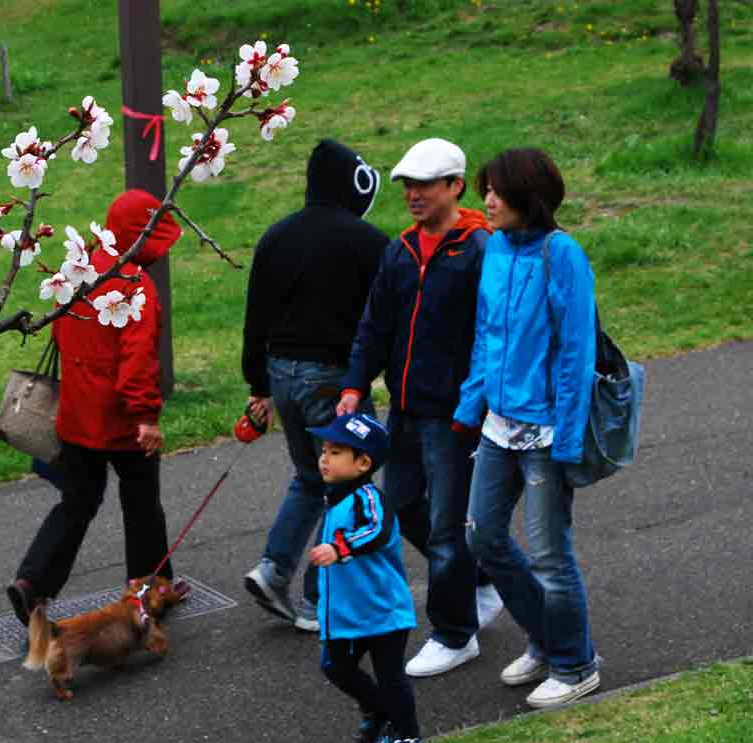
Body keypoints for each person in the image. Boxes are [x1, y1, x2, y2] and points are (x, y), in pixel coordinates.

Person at [338, 137, 502, 678]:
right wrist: (356, 384)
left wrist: (472, 406)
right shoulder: (400, 250)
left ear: (455, 186)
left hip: (454, 416)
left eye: (425, 185)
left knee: (446, 528)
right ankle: (476, 582)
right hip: (404, 410)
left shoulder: (481, 250)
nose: (413, 194)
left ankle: (456, 634)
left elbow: (491, 335)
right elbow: (374, 323)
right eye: (408, 184)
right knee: (402, 509)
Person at [453, 147, 600, 708]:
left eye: (497, 191)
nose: (486, 200)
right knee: (482, 536)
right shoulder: (494, 252)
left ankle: (576, 664)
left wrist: (565, 436)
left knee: (549, 554)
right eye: (485, 188)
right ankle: (549, 641)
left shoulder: (561, 255)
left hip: (544, 433)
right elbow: (486, 335)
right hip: (497, 424)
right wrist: (471, 405)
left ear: (528, 197)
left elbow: (575, 351)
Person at [6, 189, 183, 625]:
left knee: (77, 503)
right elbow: (138, 361)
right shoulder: (134, 287)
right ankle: (148, 590)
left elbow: (63, 336)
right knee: (142, 506)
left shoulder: (78, 272)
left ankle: (33, 583)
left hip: (75, 415)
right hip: (123, 422)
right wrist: (145, 416)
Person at [241, 139, 389, 632]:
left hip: (282, 373)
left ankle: (273, 568)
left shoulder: (276, 237)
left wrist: (257, 384)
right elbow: (385, 316)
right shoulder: (366, 241)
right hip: (335, 380)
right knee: (346, 481)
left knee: (311, 475)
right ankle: (317, 596)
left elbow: (254, 318)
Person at [309, 412, 424, 743]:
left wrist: (338, 548)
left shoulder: (368, 498)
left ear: (363, 463)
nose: (324, 458)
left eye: (335, 452)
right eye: (324, 450)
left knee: (391, 676)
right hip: (347, 613)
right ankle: (378, 710)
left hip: (382, 610)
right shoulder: (334, 497)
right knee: (335, 666)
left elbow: (376, 530)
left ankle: (408, 733)